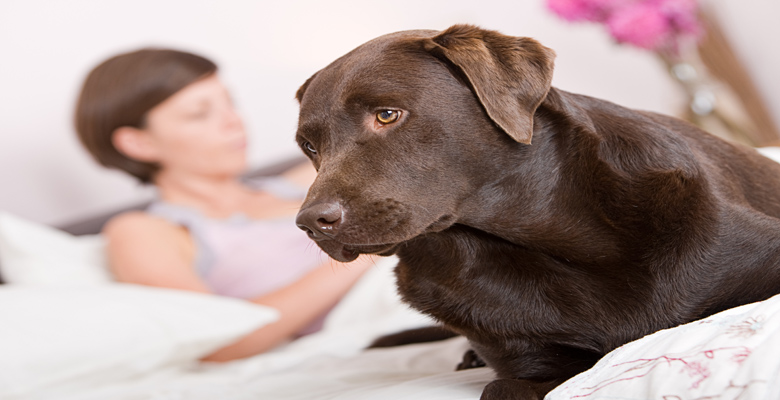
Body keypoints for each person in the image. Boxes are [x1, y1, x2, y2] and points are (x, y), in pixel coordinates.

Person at [74, 48, 373, 362]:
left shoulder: (309, 177)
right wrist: (365, 255)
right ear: (138, 143)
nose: (234, 121)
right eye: (199, 113)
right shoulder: (146, 231)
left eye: (230, 102)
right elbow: (213, 341)